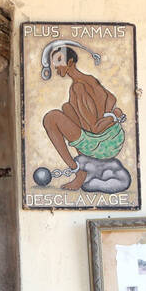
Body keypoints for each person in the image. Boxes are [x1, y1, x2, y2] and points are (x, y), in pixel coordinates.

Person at [40, 42, 127, 191]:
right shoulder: (88, 79)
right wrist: (110, 114)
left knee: (51, 118)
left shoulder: (78, 87)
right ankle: (84, 163)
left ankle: (79, 171)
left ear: (70, 62)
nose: (55, 66)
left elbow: (95, 128)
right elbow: (111, 98)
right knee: (67, 108)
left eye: (59, 62)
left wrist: (112, 117)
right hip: (111, 135)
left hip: (104, 143)